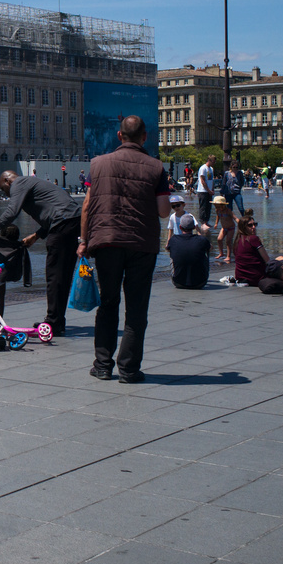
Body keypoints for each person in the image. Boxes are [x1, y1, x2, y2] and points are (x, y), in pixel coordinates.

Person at [78, 115, 170, 383]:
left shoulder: (98, 164)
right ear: (145, 137)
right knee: (137, 308)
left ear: (119, 136)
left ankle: (103, 365)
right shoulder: (156, 167)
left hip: (106, 241)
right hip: (142, 244)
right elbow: (164, 212)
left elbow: (86, 206)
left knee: (108, 303)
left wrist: (83, 241)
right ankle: (129, 369)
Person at [0, 169, 82, 336]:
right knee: (63, 275)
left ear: (7, 181)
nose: (7, 193)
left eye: (4, 189)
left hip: (62, 224)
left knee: (54, 276)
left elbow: (12, 212)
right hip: (72, 221)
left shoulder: (18, 183)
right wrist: (37, 235)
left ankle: (53, 322)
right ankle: (58, 321)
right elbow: (55, 210)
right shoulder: (32, 183)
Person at [168, 213, 211, 289]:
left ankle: (179, 274)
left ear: (180, 227)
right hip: (200, 282)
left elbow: (167, 248)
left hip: (178, 282)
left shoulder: (173, 239)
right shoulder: (202, 240)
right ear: (194, 227)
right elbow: (211, 248)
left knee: (172, 252)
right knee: (206, 252)